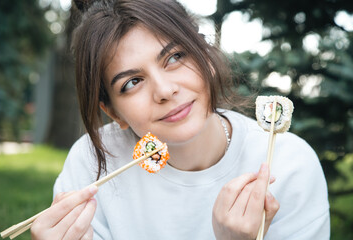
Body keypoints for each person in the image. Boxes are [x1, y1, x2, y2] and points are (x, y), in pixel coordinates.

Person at [30, 0, 330, 239]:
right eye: (132, 82)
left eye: (175, 57)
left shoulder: (289, 164)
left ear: (206, 58)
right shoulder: (93, 163)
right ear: (113, 112)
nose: (164, 90)